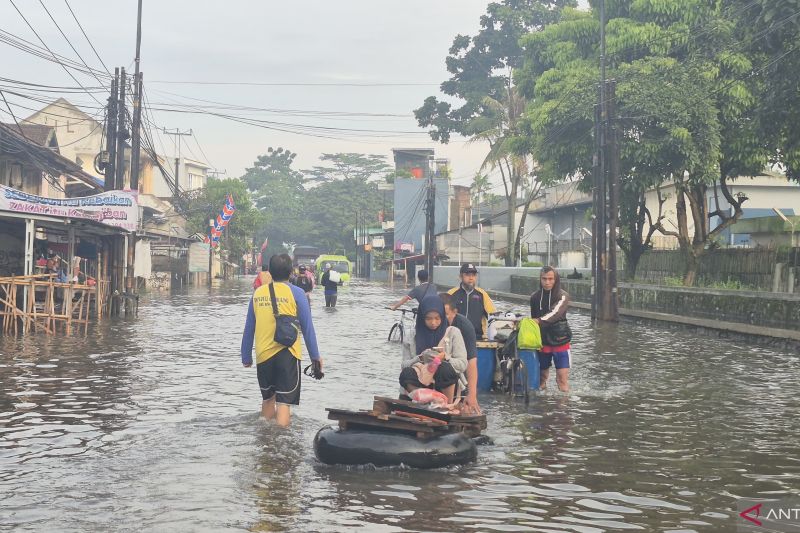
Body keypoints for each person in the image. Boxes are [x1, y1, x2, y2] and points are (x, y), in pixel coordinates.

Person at [241, 253, 322, 426]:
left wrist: (246, 356)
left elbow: (249, 327)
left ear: (269, 271)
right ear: (290, 272)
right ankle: (281, 446)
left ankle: (266, 441)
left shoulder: (258, 294)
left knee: (268, 399)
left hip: (263, 355)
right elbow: (308, 328)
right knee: (284, 403)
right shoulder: (298, 294)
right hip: (288, 354)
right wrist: (316, 357)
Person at [399, 295, 468, 403]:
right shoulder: (411, 336)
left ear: (442, 316)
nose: (433, 323)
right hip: (420, 382)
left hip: (446, 385)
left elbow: (463, 364)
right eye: (428, 318)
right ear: (422, 318)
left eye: (437, 318)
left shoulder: (453, 333)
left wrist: (445, 357)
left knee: (445, 369)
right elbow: (404, 365)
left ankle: (446, 404)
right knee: (406, 374)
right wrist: (420, 358)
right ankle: (422, 399)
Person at [529, 266, 571, 392]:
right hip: (542, 342)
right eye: (544, 279)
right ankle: (542, 405)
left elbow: (555, 313)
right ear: (540, 279)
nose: (547, 282)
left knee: (562, 379)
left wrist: (538, 321)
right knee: (541, 377)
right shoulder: (535, 297)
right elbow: (534, 317)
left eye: (550, 279)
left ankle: (564, 407)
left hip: (560, 340)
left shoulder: (562, 296)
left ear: (556, 279)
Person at [439, 292, 480, 414]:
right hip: (435, 371)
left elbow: (471, 362)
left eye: (445, 315)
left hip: (457, 372)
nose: (440, 320)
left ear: (454, 312)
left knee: (466, 408)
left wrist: (472, 394)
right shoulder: (433, 324)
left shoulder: (464, 326)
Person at [447, 263, 496, 339]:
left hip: (477, 337)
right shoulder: (451, 294)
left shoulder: (482, 294)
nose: (471, 278)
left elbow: (492, 315)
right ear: (460, 276)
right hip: (454, 337)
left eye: (473, 275)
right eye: (467, 275)